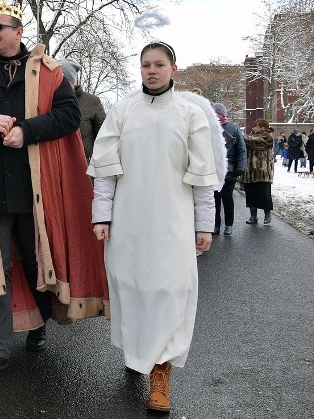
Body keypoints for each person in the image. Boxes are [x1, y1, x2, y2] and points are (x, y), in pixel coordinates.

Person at [0, 2, 107, 380]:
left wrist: (27, 131)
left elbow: (69, 117)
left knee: (38, 262)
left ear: (19, 31)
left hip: (40, 193)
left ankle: (37, 323)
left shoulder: (49, 74)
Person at [89, 41, 217, 413]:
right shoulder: (122, 111)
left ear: (173, 69)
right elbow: (105, 172)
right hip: (129, 225)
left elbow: (202, 178)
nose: (152, 70)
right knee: (132, 290)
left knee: (171, 292)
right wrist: (102, 215)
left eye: (159, 64)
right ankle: (139, 353)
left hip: (173, 225)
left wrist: (203, 224)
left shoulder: (191, 115)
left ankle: (161, 374)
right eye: (146, 64)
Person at [59, 59, 106, 161]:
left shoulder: (92, 101)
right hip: (59, 165)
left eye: (64, 81)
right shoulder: (52, 101)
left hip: (85, 166)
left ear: (72, 82)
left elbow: (103, 138)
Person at [211, 103, 246, 236]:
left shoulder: (233, 128)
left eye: (218, 113)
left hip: (229, 169)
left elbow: (241, 149)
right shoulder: (209, 127)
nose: (216, 116)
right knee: (214, 198)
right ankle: (216, 224)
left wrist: (240, 168)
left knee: (227, 197)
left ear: (223, 114)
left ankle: (229, 225)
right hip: (213, 169)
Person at [242, 119, 275, 225]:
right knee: (251, 194)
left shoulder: (268, 137)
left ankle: (267, 214)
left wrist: (241, 135)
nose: (253, 128)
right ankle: (253, 216)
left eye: (255, 126)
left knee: (264, 195)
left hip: (263, 172)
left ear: (262, 127)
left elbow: (255, 142)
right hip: (250, 172)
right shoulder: (250, 137)